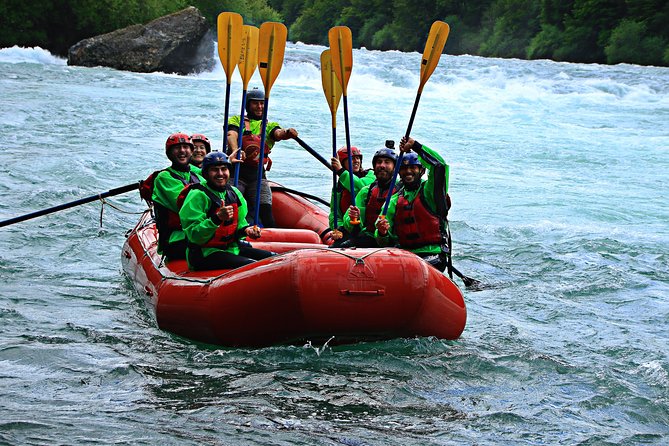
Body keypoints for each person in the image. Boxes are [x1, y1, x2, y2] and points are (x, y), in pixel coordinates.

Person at [179, 151, 275, 271]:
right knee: (252, 266)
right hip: (204, 253)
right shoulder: (197, 195)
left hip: (231, 248)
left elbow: (240, 223)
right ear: (206, 173)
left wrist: (247, 230)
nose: (220, 174)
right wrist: (216, 218)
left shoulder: (234, 192)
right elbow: (194, 236)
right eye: (215, 170)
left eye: (224, 169)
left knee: (274, 259)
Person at [375, 136, 451, 272]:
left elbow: (440, 166)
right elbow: (383, 240)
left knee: (415, 268)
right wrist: (382, 232)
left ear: (422, 171)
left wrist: (415, 146)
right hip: (406, 255)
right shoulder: (393, 201)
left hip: (433, 253)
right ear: (399, 172)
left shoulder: (429, 192)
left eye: (412, 168)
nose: (408, 171)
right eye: (403, 168)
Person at [225, 87, 298, 227]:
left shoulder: (269, 125)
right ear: (248, 105)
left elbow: (278, 133)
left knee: (266, 212)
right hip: (236, 172)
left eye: (262, 103)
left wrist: (287, 132)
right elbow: (231, 134)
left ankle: (273, 240)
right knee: (232, 206)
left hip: (257, 176)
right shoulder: (236, 120)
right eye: (255, 103)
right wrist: (235, 151)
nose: (259, 106)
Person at [146, 132, 205, 261]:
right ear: (169, 153)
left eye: (186, 147)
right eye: (177, 148)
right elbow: (186, 206)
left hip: (201, 234)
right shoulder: (163, 178)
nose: (182, 151)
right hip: (177, 240)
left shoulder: (196, 175)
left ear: (191, 151)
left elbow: (211, 175)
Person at [340, 145, 400, 248]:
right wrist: (354, 218)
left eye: (387, 162)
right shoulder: (367, 191)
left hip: (393, 243)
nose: (382, 165)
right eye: (379, 162)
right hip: (369, 238)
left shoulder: (402, 191)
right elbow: (348, 225)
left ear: (395, 167)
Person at [329, 146, 375, 246]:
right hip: (348, 228)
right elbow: (335, 213)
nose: (356, 161)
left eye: (358, 158)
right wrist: (338, 228)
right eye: (351, 158)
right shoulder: (339, 187)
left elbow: (360, 187)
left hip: (364, 229)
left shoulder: (371, 175)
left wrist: (341, 171)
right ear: (342, 162)